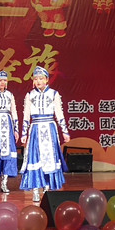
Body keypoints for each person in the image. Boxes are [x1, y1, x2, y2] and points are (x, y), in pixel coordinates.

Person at [19, 66, 70, 202]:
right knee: (35, 158)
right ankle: (36, 189)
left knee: (50, 158)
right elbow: (26, 115)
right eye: (36, 79)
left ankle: (47, 188)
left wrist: (64, 131)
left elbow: (59, 113)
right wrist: (24, 133)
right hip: (35, 128)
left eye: (41, 78)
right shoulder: (30, 95)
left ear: (47, 80)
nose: (38, 81)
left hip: (49, 128)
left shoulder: (54, 94)